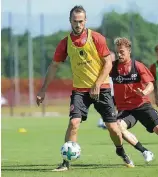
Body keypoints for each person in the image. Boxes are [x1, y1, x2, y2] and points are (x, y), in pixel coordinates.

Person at [36, 6, 134, 171]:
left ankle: (121, 151)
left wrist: (97, 83)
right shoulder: (65, 43)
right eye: (75, 21)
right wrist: (43, 89)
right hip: (80, 91)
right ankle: (66, 162)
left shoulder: (96, 38)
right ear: (70, 21)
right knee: (74, 123)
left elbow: (108, 63)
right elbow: (54, 66)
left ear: (85, 21)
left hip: (101, 89)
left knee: (113, 128)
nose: (78, 24)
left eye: (81, 21)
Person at [110, 37, 158, 166]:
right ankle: (145, 151)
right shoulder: (112, 67)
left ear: (129, 51)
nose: (119, 55)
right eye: (117, 52)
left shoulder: (138, 66)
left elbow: (150, 84)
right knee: (118, 127)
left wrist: (145, 92)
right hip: (125, 109)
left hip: (142, 105)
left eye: (122, 52)